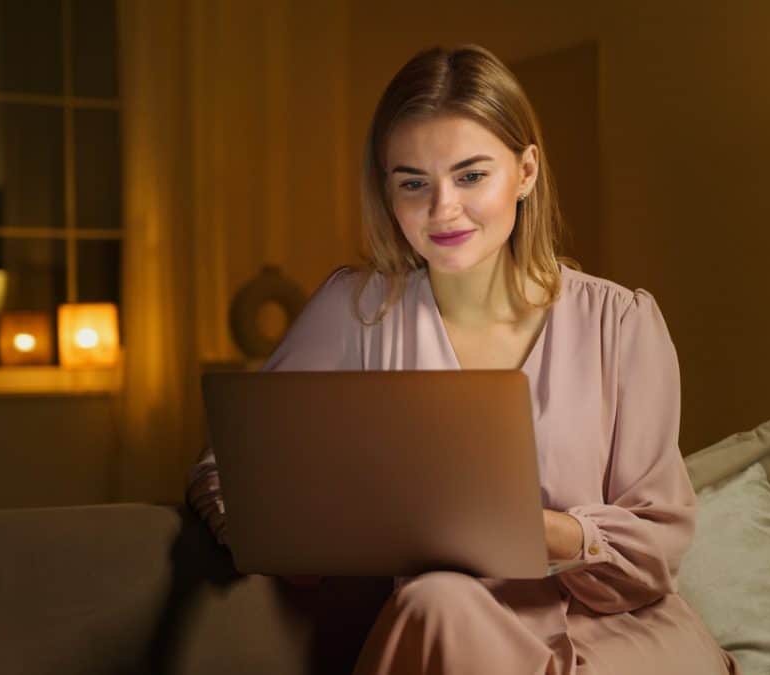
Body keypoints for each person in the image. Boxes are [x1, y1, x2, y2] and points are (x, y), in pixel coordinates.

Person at [187, 44, 739, 675]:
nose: (442, 208)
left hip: (629, 642)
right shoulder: (355, 312)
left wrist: (530, 528)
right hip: (456, 634)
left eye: (471, 176)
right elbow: (230, 465)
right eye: (413, 183)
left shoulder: (622, 322)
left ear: (525, 171)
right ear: (387, 190)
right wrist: (286, 530)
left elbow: (655, 550)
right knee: (438, 601)